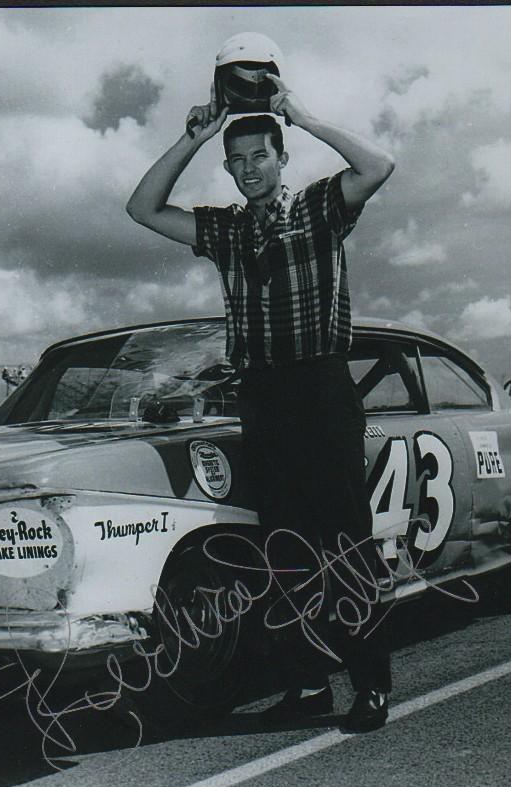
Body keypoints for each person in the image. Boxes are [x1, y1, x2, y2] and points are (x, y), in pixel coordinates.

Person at [127, 74, 395, 732]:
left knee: (344, 545)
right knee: (284, 550)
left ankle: (371, 685)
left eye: (260, 157)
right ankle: (306, 684)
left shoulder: (321, 206)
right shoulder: (223, 230)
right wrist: (194, 137)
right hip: (264, 396)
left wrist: (299, 114)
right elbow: (142, 208)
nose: (249, 170)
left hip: (323, 389)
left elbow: (377, 165)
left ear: (281, 159)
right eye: (237, 160)